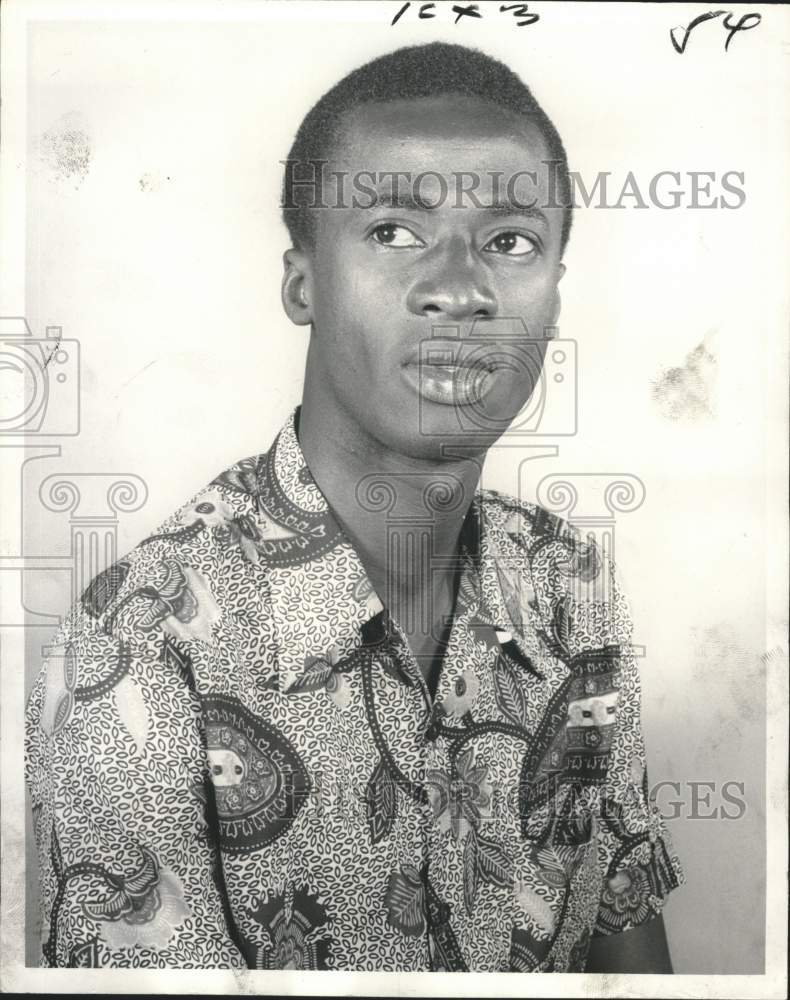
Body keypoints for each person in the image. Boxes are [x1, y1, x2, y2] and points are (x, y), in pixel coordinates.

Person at [24, 41, 684, 972]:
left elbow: (627, 942)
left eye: (510, 241)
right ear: (302, 285)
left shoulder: (568, 581)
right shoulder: (136, 649)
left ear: (554, 295)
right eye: (393, 231)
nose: (461, 287)